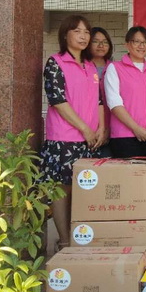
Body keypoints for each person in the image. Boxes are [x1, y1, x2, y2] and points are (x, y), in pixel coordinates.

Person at [40, 14, 104, 250]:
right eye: (77, 31)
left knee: (84, 189)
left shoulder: (91, 66)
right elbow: (57, 100)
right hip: (64, 138)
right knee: (62, 190)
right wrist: (85, 128)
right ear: (65, 34)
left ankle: (81, 239)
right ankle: (65, 240)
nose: (83, 36)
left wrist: (101, 128)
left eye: (86, 32)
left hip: (90, 140)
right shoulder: (55, 63)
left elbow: (99, 100)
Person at [104, 26, 146, 158]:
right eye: (137, 42)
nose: (141, 46)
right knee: (126, 171)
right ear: (127, 44)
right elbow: (114, 103)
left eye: (145, 42)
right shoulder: (115, 68)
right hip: (125, 136)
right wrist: (136, 128)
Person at [89, 26, 114, 156]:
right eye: (95, 41)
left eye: (105, 42)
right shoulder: (82, 66)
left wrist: (108, 128)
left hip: (111, 126)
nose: (101, 45)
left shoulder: (115, 68)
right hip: (86, 127)